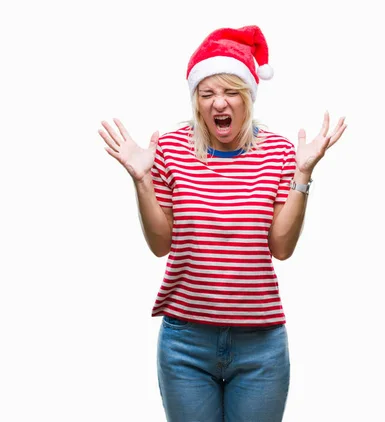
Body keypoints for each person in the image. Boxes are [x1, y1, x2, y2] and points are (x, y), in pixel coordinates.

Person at [98, 25, 347, 422]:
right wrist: (142, 180)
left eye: (230, 91)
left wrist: (302, 174)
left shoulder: (279, 152)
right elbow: (162, 244)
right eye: (207, 93)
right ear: (196, 100)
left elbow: (281, 248)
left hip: (260, 347)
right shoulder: (170, 149)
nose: (219, 103)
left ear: (248, 96)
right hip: (185, 345)